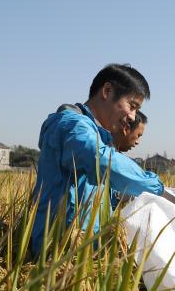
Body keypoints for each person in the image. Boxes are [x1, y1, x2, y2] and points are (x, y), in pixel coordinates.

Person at [30, 64, 164, 256]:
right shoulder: (72, 124)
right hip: (59, 254)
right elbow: (100, 160)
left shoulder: (98, 135)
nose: (132, 117)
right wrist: (156, 186)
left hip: (84, 250)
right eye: (132, 106)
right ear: (107, 91)